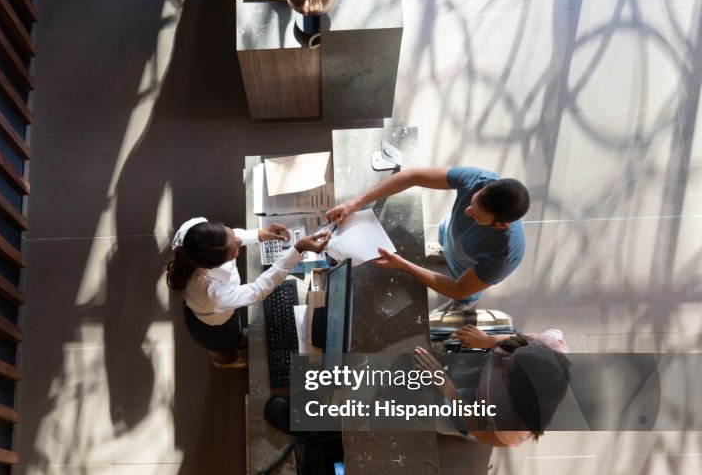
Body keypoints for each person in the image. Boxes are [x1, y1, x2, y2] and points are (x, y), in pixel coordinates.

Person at [325, 167, 529, 313]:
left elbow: (457, 289)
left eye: (475, 216)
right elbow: (412, 176)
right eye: (471, 202)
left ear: (501, 225)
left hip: (467, 265)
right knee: (446, 235)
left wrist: (403, 264)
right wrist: (355, 202)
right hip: (452, 236)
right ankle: (445, 251)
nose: (466, 210)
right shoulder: (479, 179)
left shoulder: (503, 256)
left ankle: (465, 306)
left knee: (464, 295)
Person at [166, 217, 330, 367]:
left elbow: (232, 237)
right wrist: (298, 249)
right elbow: (258, 289)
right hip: (214, 329)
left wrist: (260, 234)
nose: (238, 240)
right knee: (226, 346)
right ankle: (224, 362)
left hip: (203, 307)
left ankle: (238, 340)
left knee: (237, 331)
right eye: (234, 250)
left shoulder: (194, 230)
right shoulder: (215, 295)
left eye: (229, 232)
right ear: (214, 265)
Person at [414, 325, 572, 447]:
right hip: (483, 383)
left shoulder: (514, 426)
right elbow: (529, 338)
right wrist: (488, 340)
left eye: (508, 371)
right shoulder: (553, 345)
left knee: (433, 416)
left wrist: (446, 386)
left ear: (515, 394)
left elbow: (484, 435)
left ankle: (461, 430)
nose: (503, 360)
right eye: (515, 355)